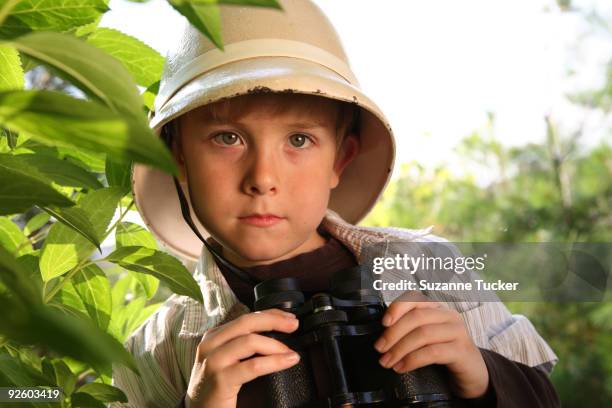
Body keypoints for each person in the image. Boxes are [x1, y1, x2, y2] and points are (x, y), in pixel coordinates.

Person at [111, 1, 560, 407]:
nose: (263, 178)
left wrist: (481, 375)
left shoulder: (429, 267)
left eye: (299, 140)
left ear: (339, 160)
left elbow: (544, 397)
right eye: (227, 138)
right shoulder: (158, 349)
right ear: (177, 158)